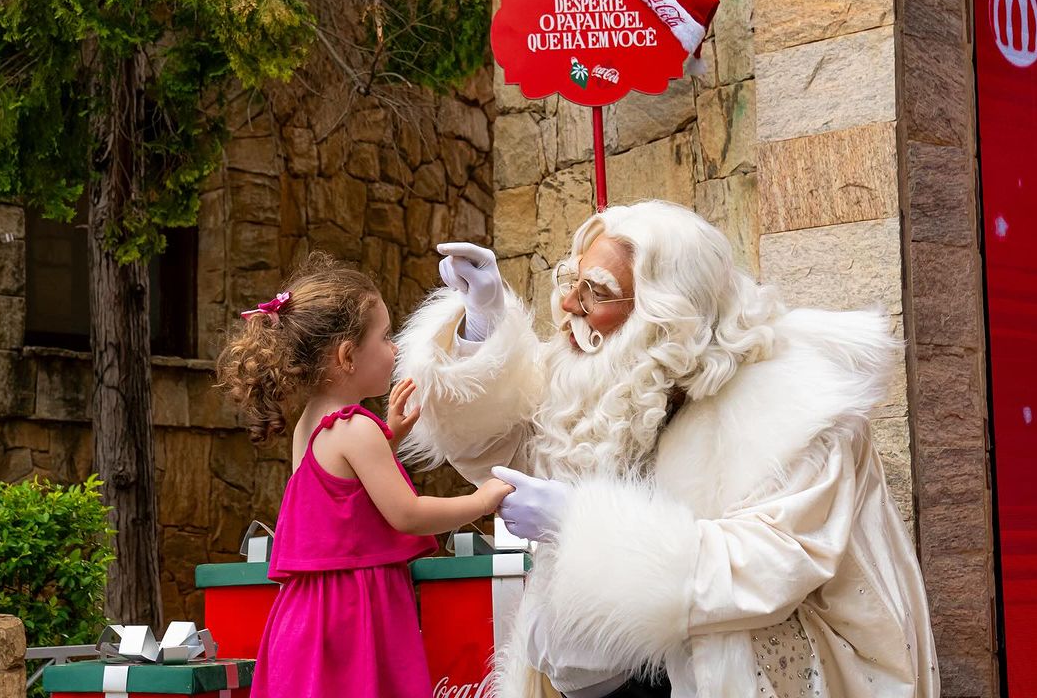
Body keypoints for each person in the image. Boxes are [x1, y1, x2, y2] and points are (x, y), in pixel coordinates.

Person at [395, 201, 939, 698]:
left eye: (596, 292)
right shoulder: (598, 376)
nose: (567, 306)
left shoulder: (793, 411)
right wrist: (483, 323)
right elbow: (503, 447)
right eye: (571, 281)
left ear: (665, 313)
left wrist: (585, 525)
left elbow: (779, 562)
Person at [216, 252, 514, 698]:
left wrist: (388, 436)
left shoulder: (312, 425)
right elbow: (407, 514)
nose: (395, 349)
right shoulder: (355, 428)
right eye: (386, 337)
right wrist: (484, 498)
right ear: (347, 356)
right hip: (355, 616)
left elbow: (341, 497)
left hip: (311, 618)